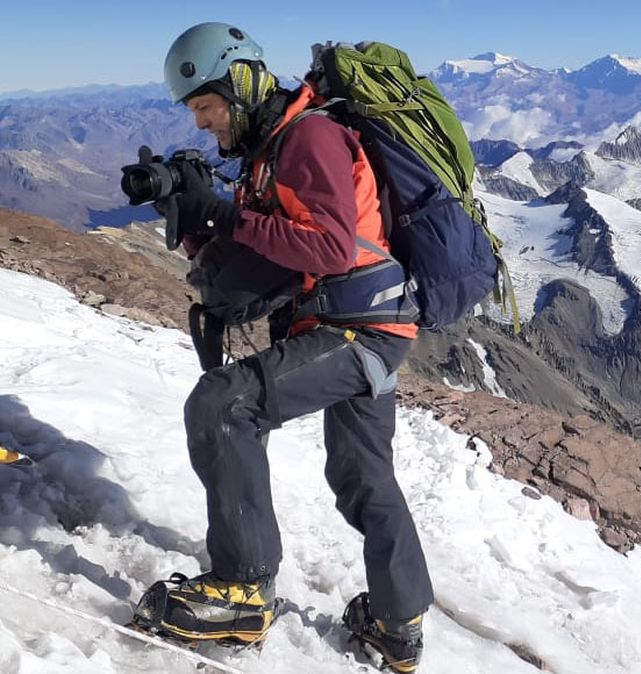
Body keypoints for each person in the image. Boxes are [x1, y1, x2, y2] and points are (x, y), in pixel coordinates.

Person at [136, 22, 433, 672]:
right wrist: (193, 215)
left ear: (240, 83)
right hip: (371, 322)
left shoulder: (308, 137)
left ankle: (242, 590)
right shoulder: (270, 152)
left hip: (357, 326)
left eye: (206, 106)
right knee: (361, 475)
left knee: (222, 404)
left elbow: (329, 248)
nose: (202, 123)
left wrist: (225, 214)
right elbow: (259, 255)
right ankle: (398, 624)